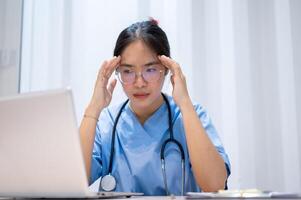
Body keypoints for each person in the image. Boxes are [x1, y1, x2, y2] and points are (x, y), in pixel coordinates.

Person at [79, 19, 230, 196]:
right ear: (117, 72)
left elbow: (215, 184)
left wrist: (185, 104)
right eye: (128, 71)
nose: (139, 82)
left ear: (166, 69)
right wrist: (93, 109)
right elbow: (71, 183)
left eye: (150, 70)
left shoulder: (190, 115)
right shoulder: (106, 123)